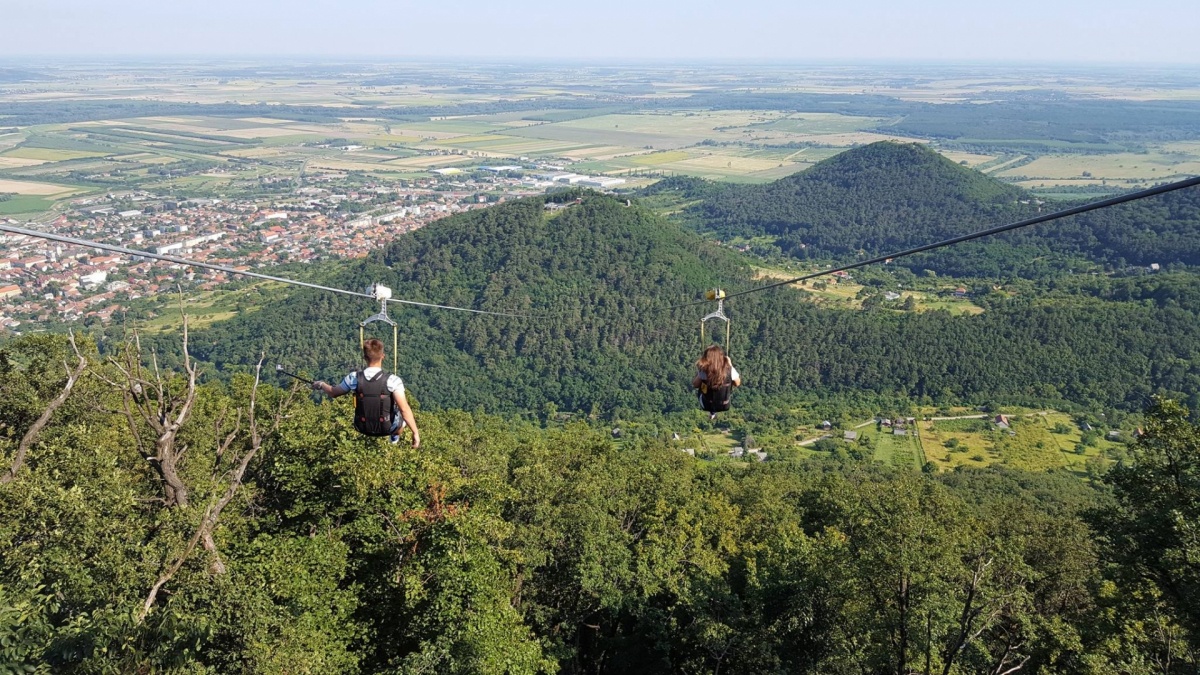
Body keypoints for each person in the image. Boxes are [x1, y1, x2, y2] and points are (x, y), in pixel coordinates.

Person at [312, 338, 421, 447]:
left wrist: (321, 384)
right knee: (401, 410)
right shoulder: (393, 380)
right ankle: (395, 435)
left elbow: (333, 392)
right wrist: (415, 432)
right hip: (387, 428)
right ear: (383, 356)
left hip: (362, 426)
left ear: (365, 358)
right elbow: (404, 409)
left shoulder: (353, 377)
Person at [692, 344, 741, 421]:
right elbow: (737, 383)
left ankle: (712, 412)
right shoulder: (729, 370)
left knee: (701, 387)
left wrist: (700, 371)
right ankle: (713, 412)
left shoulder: (705, 371)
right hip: (725, 405)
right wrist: (730, 364)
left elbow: (695, 384)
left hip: (707, 405)